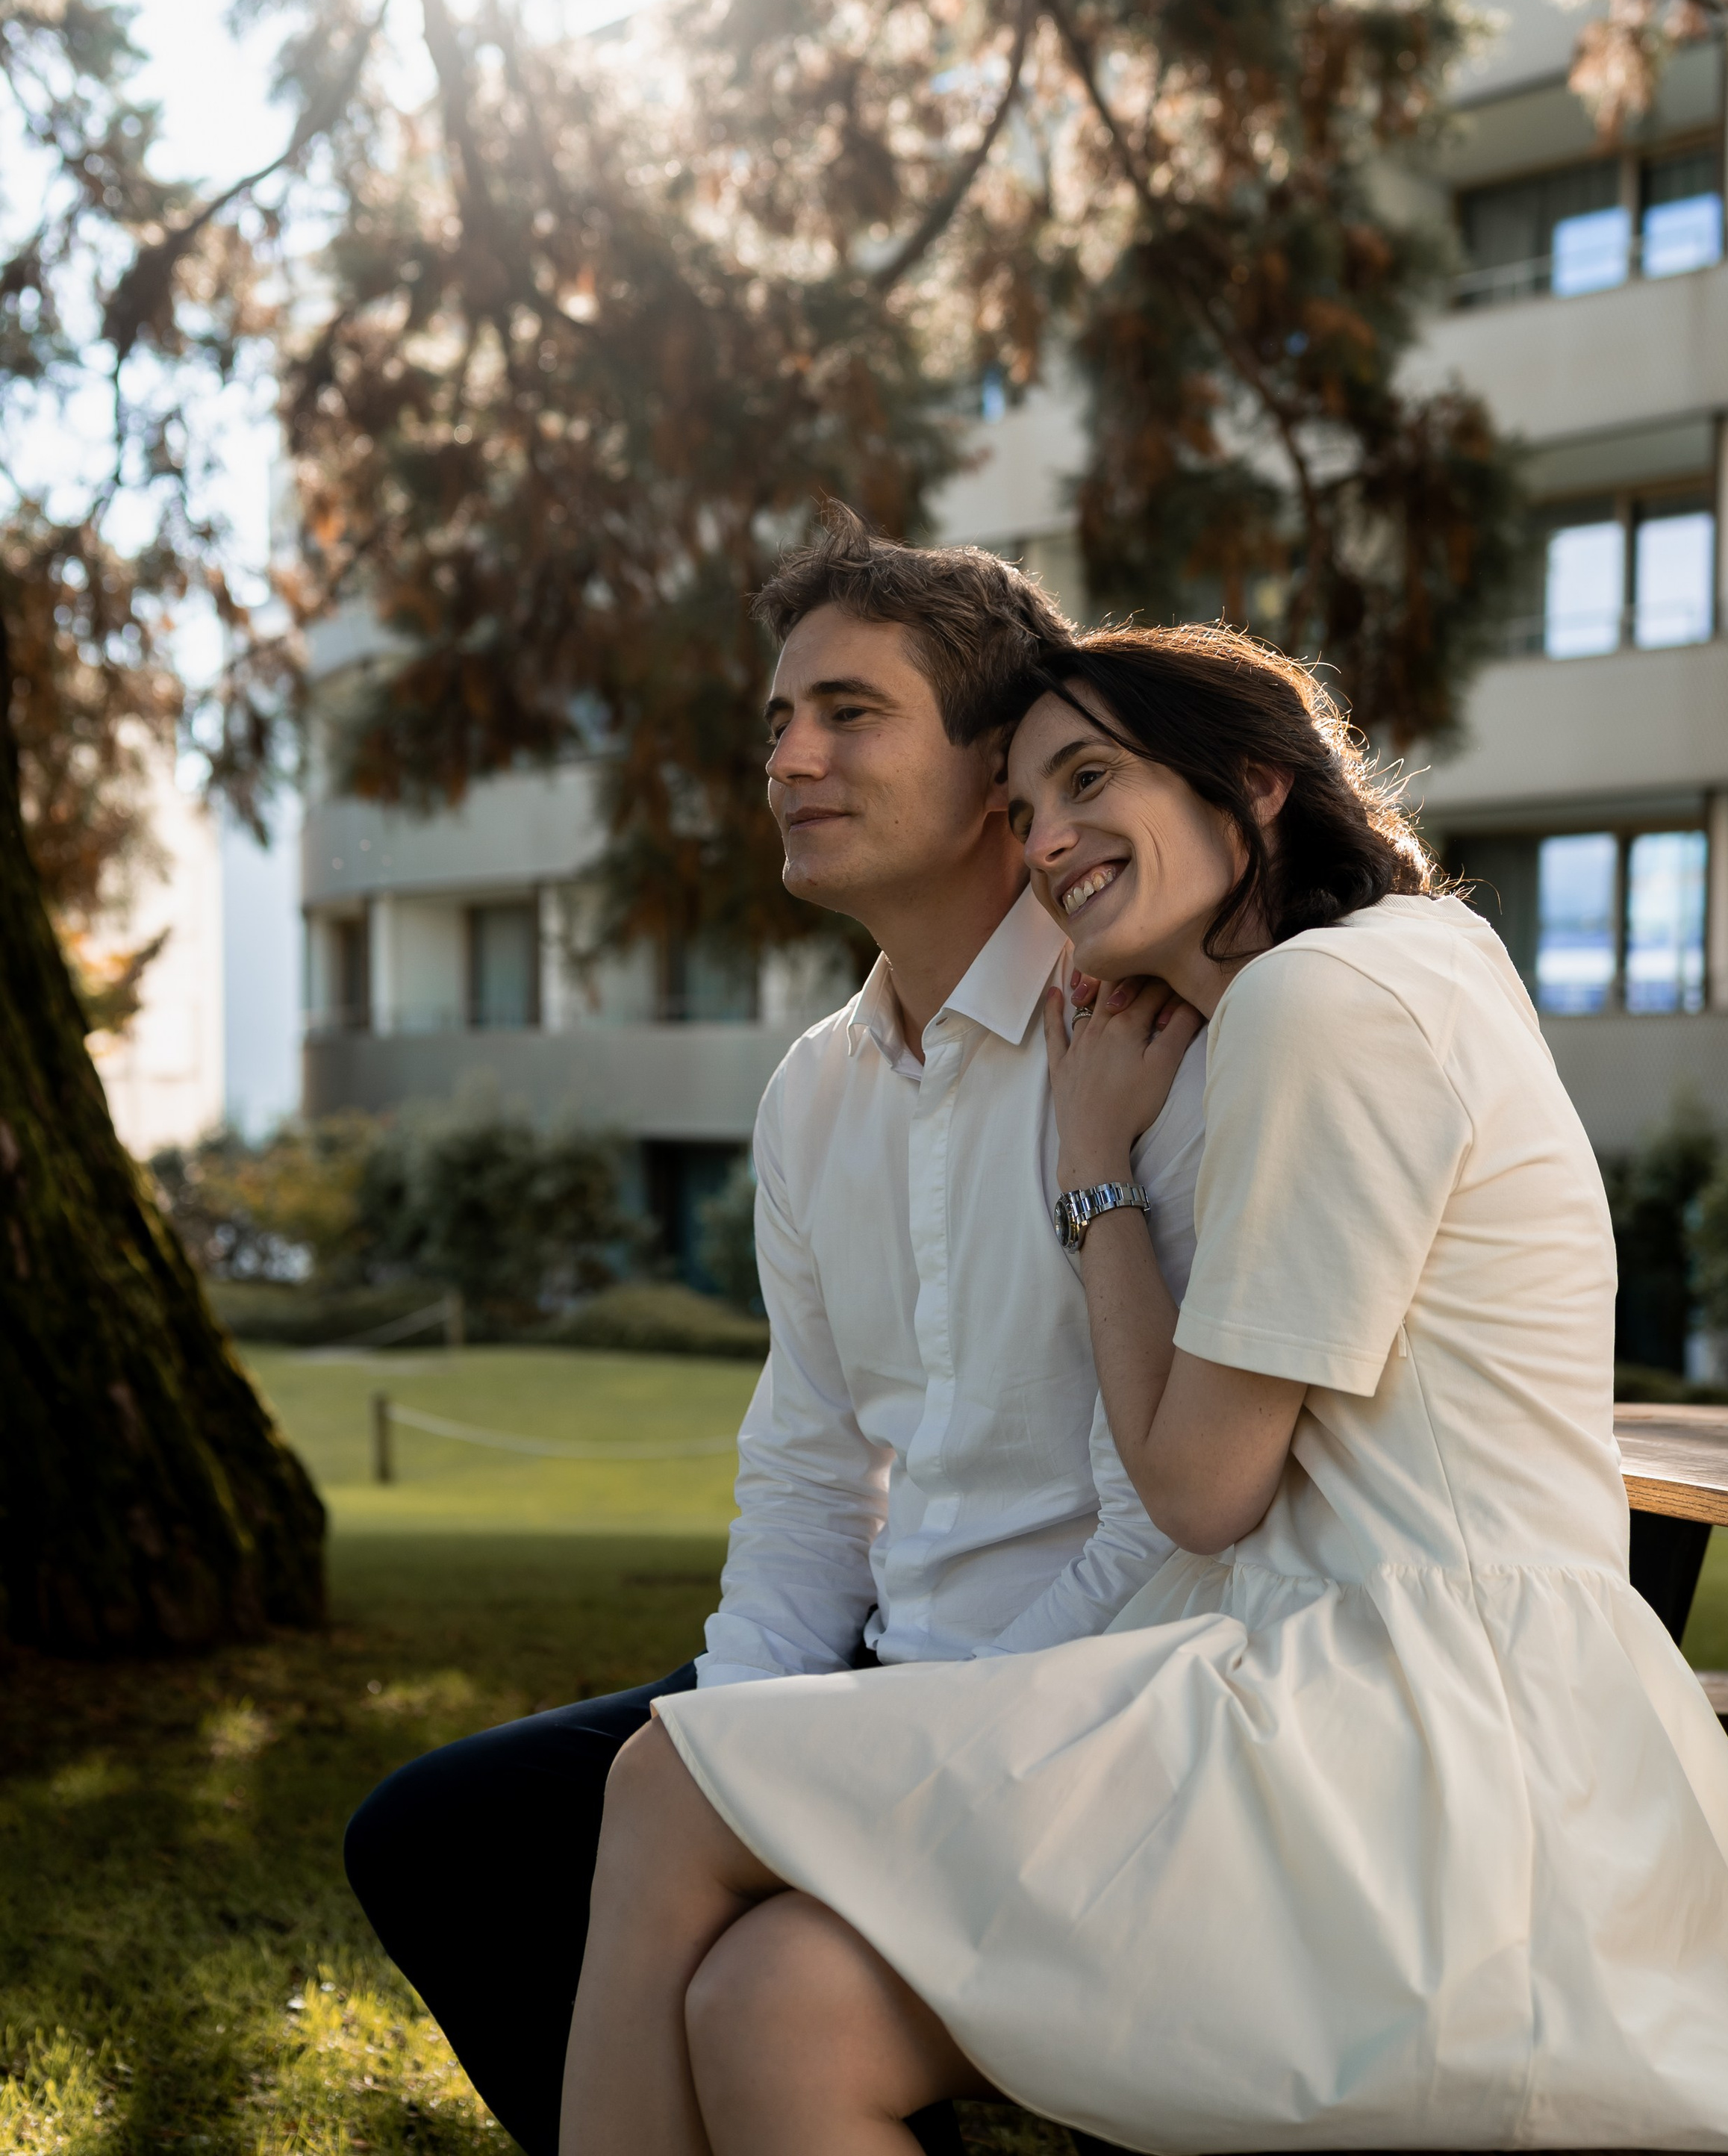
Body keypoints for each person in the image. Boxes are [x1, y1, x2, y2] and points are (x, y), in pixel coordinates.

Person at [563, 623, 1728, 2156]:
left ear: (1254, 786)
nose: (1047, 838)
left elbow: (1201, 1484)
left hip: (1396, 1725)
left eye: (1087, 779)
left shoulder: (1323, 1001)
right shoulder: (1393, 971)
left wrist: (1087, 1172)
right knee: (776, 2000)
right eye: (1020, 802)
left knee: (670, 1780)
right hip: (1327, 1675)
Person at [343, 519, 1208, 2156]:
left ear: (997, 774)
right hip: (881, 1664)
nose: (788, 758)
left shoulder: (1142, 1045)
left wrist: (839, 1780)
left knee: (726, 1906)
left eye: (849, 713)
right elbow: (814, 1469)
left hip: (1079, 1699)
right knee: (441, 1836)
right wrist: (740, 1730)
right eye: (774, 722)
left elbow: (1149, 1532)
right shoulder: (812, 1089)